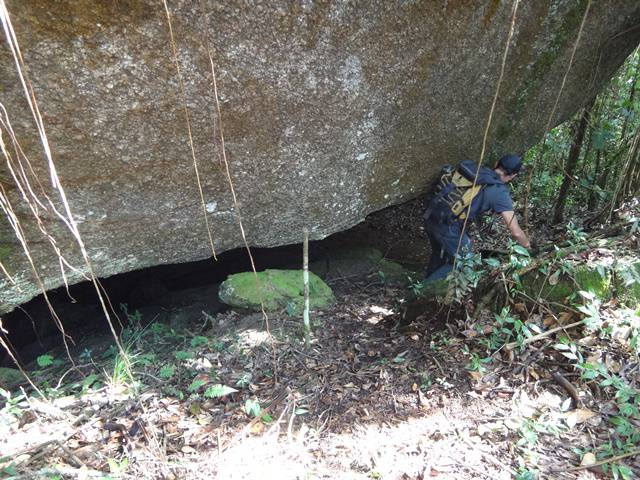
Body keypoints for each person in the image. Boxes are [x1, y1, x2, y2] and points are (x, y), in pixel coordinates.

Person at [423, 153, 531, 283]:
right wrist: (527, 246)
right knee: (465, 263)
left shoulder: (477, 171)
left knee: (441, 253)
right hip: (449, 226)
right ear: (513, 175)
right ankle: (419, 293)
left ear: (496, 163)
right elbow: (516, 231)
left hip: (433, 214)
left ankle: (425, 284)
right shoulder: (499, 192)